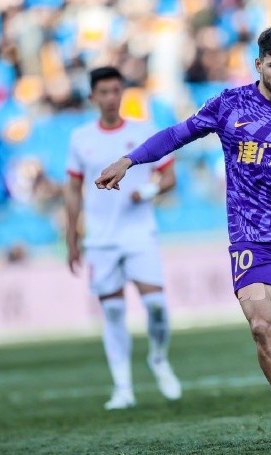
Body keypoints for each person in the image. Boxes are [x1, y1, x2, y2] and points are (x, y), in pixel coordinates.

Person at [95, 25, 271, 446]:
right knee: (262, 326)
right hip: (251, 240)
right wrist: (129, 160)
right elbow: (176, 135)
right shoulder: (230, 105)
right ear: (258, 64)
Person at [64, 66, 182, 410]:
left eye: (116, 90)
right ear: (92, 97)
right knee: (113, 311)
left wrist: (146, 192)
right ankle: (123, 388)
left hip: (139, 234)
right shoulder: (80, 138)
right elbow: (72, 190)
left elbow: (169, 178)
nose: (111, 98)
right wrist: (72, 237)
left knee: (156, 306)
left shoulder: (143, 132)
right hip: (100, 239)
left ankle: (158, 357)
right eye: (104, 92)